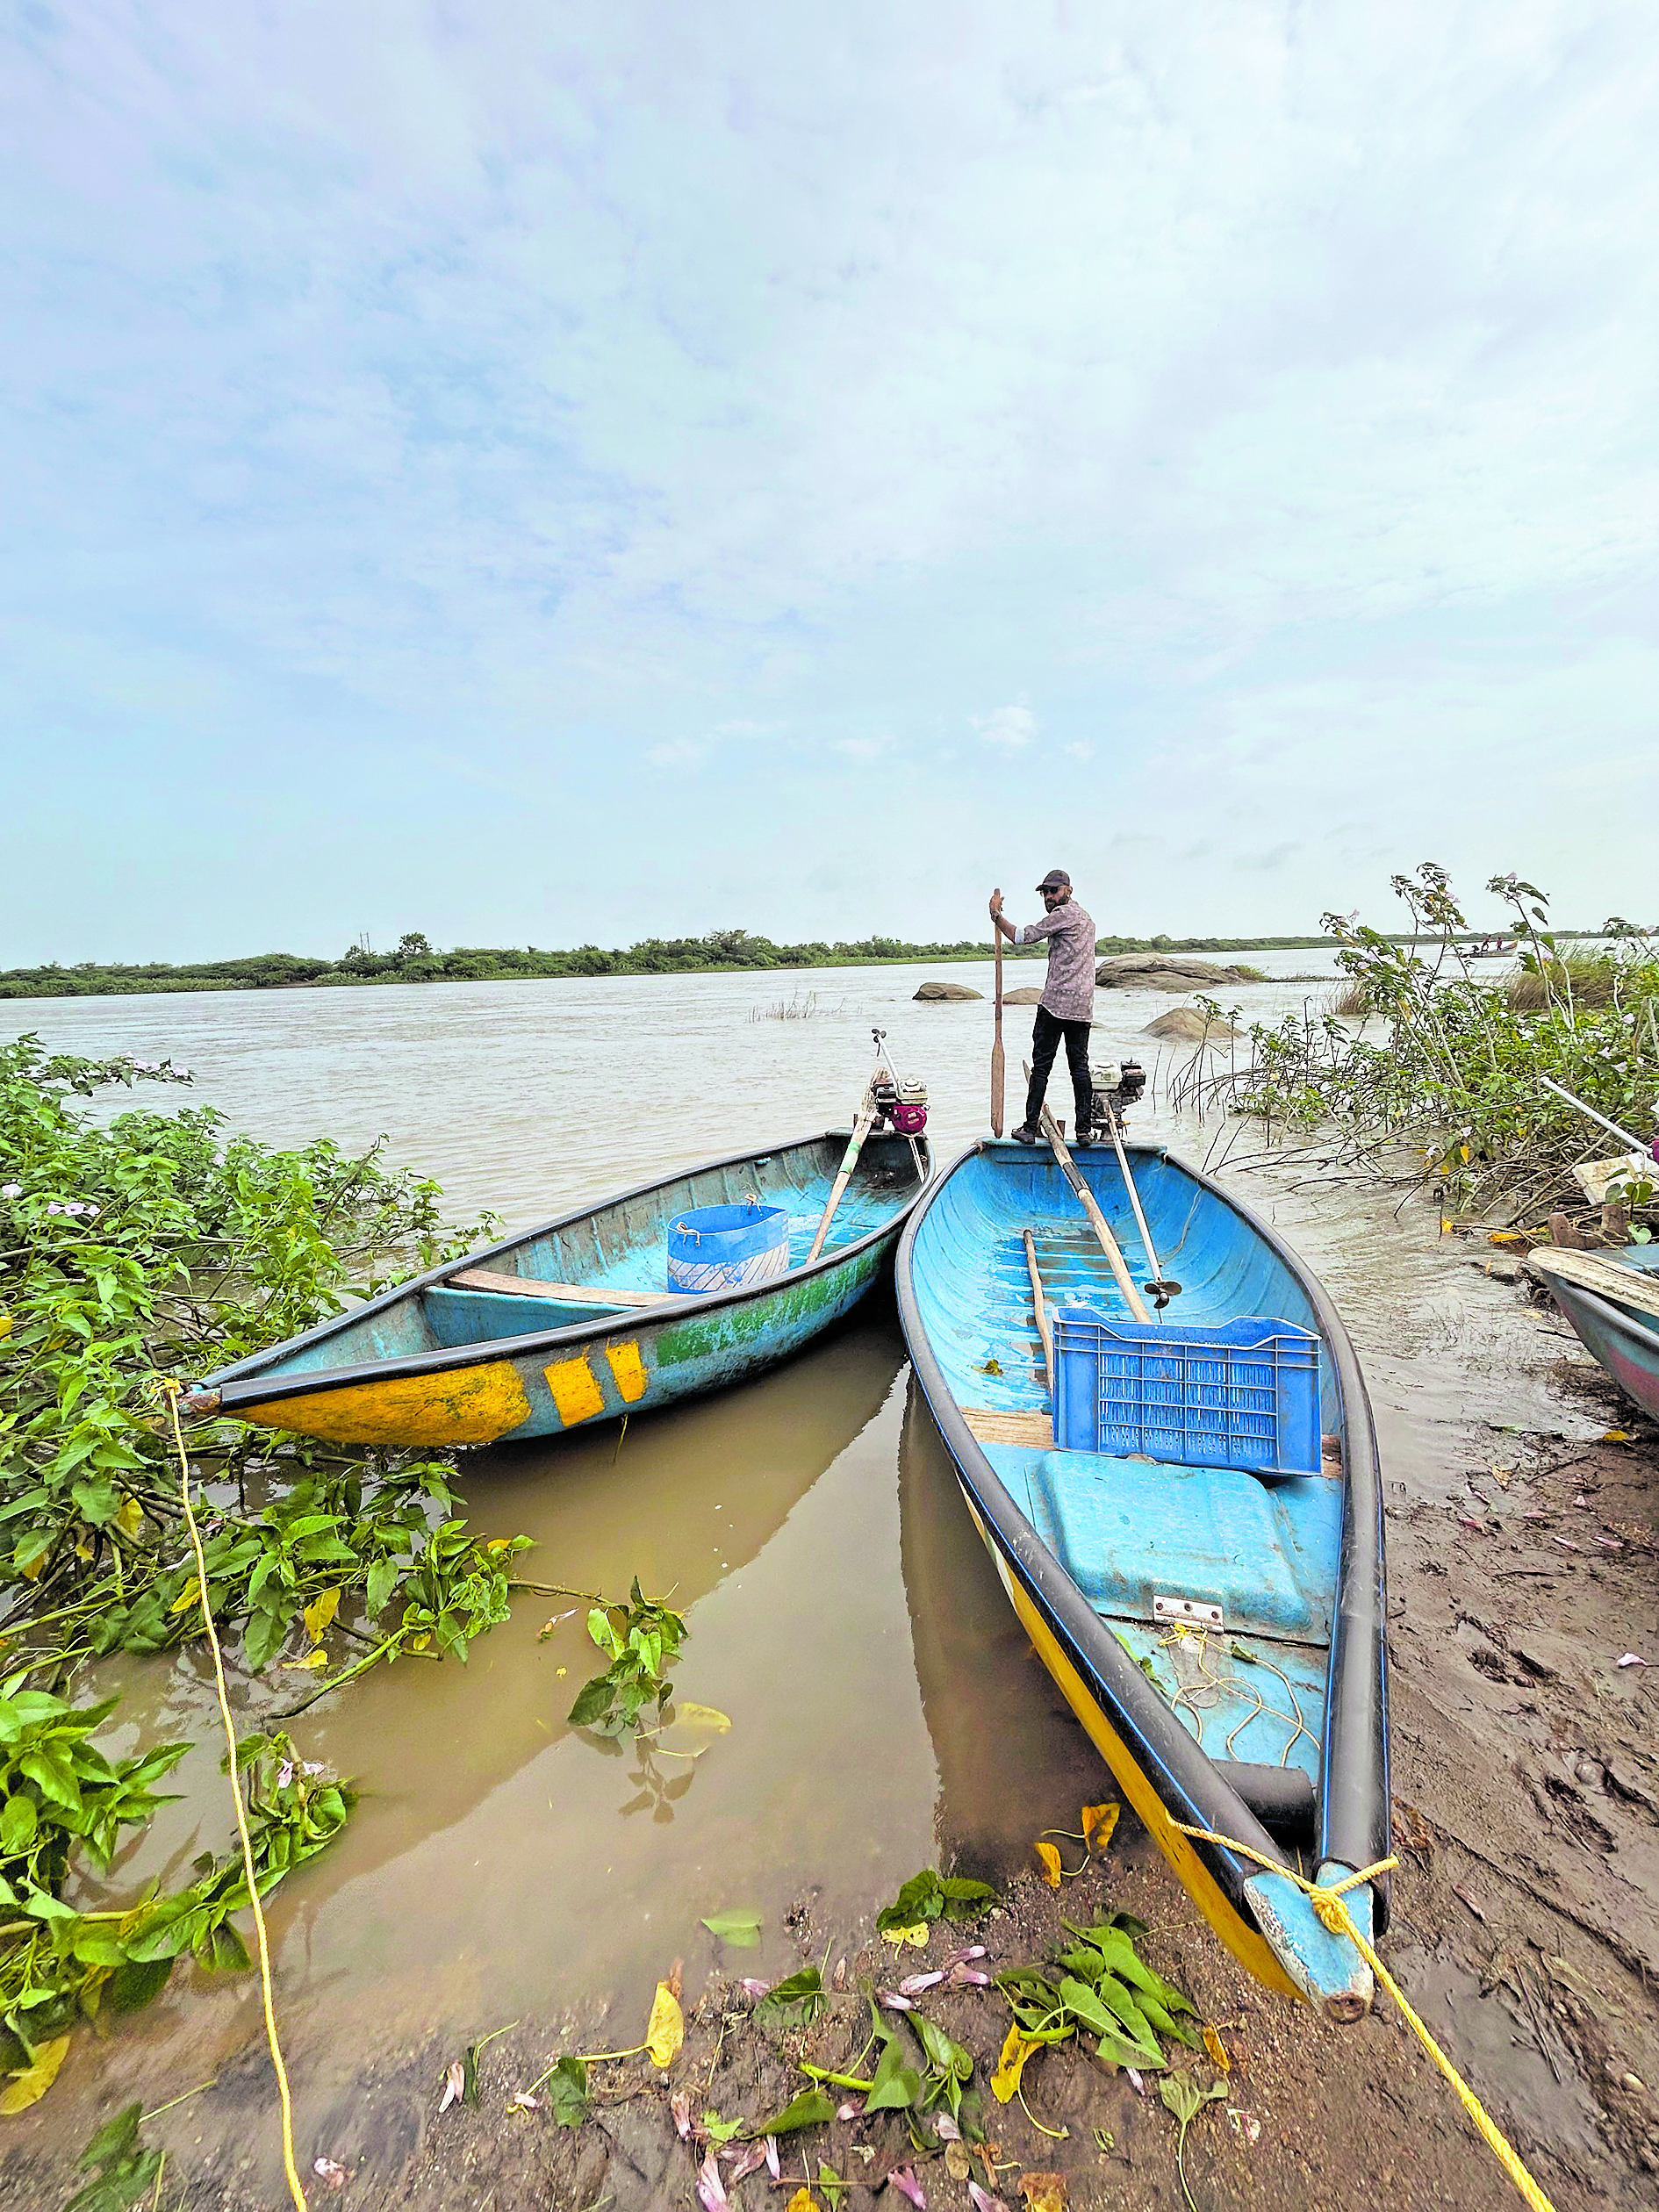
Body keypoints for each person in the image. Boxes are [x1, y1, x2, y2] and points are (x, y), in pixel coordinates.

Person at [989, 869, 1097, 1145]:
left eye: (1054, 891)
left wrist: (996, 916)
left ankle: (1029, 1128)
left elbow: (1022, 937)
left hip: (1056, 1004)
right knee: (1079, 1068)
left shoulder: (1063, 915)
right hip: (1082, 1008)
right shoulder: (1086, 919)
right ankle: (1083, 1131)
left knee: (1041, 1067)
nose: (1049, 897)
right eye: (1045, 892)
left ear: (1068, 891)